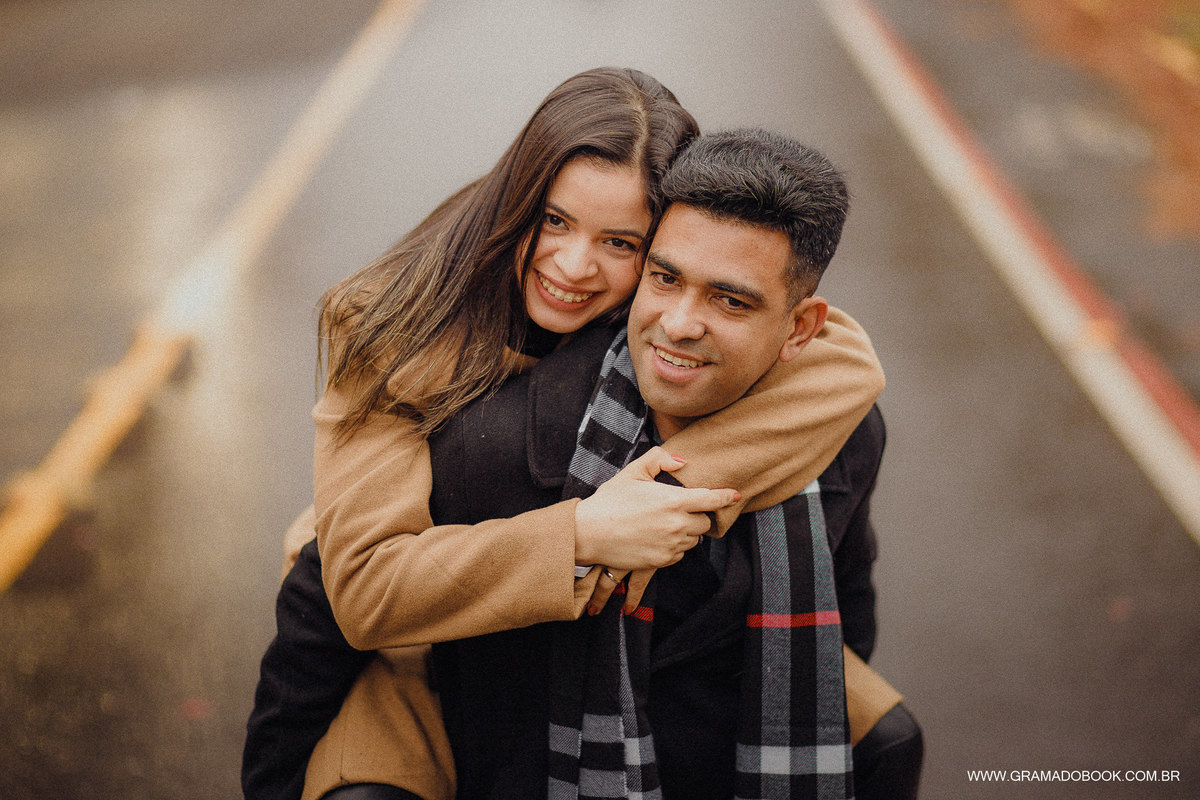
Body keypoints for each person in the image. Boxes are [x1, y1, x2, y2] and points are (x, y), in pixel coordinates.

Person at [243, 68, 886, 800]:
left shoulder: (665, 307)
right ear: (518, 201)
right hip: (412, 640)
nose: (574, 267)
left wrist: (664, 489)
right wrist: (584, 532)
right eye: (553, 221)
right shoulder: (392, 325)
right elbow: (357, 588)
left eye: (621, 242)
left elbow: (849, 364)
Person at [424, 129, 922, 800]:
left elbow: (849, 602)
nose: (679, 323)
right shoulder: (505, 441)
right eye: (665, 278)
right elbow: (346, 612)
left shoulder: (846, 433)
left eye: (731, 300)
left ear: (801, 329)